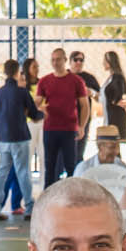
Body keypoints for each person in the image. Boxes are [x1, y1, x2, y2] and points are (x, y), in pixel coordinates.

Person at [0, 59, 40, 221]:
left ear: (5, 72)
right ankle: (29, 208)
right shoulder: (22, 92)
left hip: (4, 139)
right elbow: (34, 114)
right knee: (23, 172)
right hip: (20, 137)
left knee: (2, 173)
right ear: (18, 72)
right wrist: (44, 113)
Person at [38, 49, 90, 185]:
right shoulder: (44, 81)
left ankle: (72, 194)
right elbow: (36, 102)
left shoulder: (76, 81)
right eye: (53, 60)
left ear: (65, 60)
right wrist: (37, 108)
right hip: (50, 129)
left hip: (69, 129)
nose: (55, 63)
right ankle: (48, 194)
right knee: (50, 166)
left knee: (71, 166)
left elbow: (85, 105)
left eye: (58, 59)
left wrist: (82, 126)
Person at [100, 51, 126, 150]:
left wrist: (117, 101)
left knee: (112, 147)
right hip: (109, 116)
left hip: (115, 118)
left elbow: (118, 97)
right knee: (111, 148)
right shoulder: (111, 78)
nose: (103, 63)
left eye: (105, 61)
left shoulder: (117, 78)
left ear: (110, 62)